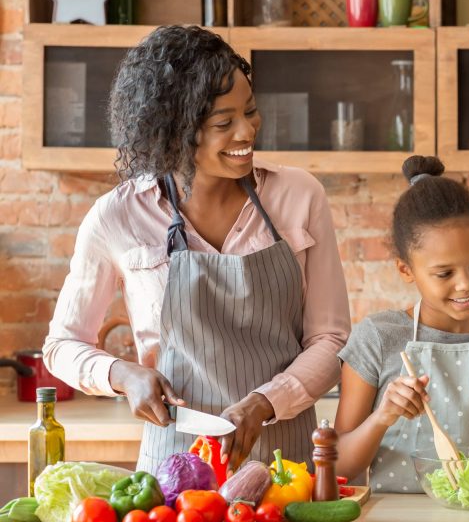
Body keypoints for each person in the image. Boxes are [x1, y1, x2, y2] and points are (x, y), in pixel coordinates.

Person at [43, 25, 351, 473]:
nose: (247, 131)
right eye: (224, 123)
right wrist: (123, 375)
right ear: (173, 132)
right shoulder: (117, 217)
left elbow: (331, 339)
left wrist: (266, 402)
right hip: (173, 474)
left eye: (250, 111)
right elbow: (62, 345)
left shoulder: (299, 196)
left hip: (287, 471)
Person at [333, 155, 469, 492]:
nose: (467, 284)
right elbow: (338, 466)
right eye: (445, 273)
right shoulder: (377, 338)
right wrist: (382, 417)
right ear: (406, 270)